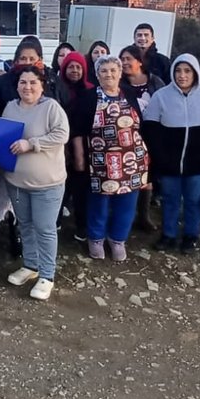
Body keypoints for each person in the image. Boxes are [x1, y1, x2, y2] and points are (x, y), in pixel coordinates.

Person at [0, 65, 69, 301]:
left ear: (42, 85)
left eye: (33, 82)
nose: (27, 87)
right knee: (25, 224)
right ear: (17, 85)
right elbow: (2, 138)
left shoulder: (51, 108)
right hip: (16, 181)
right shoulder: (10, 107)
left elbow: (61, 135)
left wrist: (32, 143)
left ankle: (47, 276)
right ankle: (30, 265)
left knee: (45, 229)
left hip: (47, 183)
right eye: (23, 82)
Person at [142, 54, 200, 254]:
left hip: (198, 162)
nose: (182, 75)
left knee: (193, 200)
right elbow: (150, 131)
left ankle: (191, 235)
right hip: (169, 162)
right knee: (170, 199)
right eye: (178, 71)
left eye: (187, 71)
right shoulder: (161, 96)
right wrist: (158, 157)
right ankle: (168, 234)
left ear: (195, 73)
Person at [70, 56, 149, 262]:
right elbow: (77, 131)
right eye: (104, 71)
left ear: (120, 73)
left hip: (131, 160)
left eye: (113, 70)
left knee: (127, 203)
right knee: (99, 203)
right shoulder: (88, 98)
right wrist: (79, 158)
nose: (109, 75)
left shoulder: (129, 94)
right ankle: (95, 239)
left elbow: (139, 125)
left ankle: (118, 239)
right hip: (100, 162)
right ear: (97, 75)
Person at [119, 44, 165, 232]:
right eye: (122, 59)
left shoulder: (155, 82)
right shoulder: (119, 83)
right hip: (126, 135)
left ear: (139, 61)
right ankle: (125, 215)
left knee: (148, 172)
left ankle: (144, 216)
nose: (124, 63)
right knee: (127, 171)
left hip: (151, 133)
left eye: (128, 59)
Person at [57, 51, 93, 241]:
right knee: (61, 187)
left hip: (83, 146)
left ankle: (82, 226)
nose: (75, 71)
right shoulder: (57, 88)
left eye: (78, 67)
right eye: (71, 66)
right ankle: (56, 221)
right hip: (60, 146)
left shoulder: (90, 90)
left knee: (81, 189)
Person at [0, 36, 66, 111]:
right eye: (23, 58)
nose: (28, 63)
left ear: (40, 59)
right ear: (17, 60)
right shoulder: (2, 83)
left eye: (32, 59)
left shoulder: (52, 80)